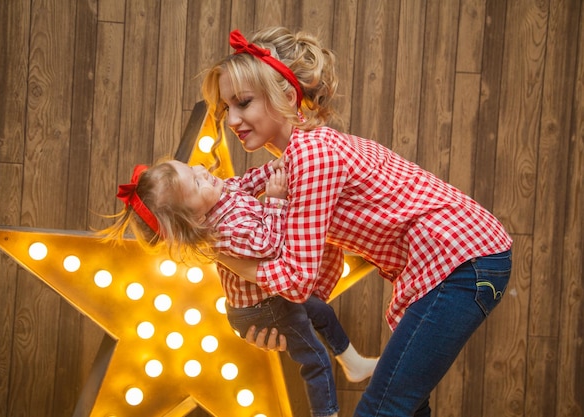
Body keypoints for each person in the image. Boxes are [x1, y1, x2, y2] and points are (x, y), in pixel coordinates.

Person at [200, 27, 513, 417]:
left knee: (383, 409)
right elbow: (240, 202)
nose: (231, 119)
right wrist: (278, 321)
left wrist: (226, 259)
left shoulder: (313, 157)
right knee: (408, 408)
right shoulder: (296, 159)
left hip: (462, 259)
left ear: (284, 94)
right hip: (458, 262)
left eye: (242, 103)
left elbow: (296, 280)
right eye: (225, 108)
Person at [102, 157, 378, 417]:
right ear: (194, 220)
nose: (203, 172)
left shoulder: (219, 194)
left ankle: (352, 362)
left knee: (322, 312)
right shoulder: (221, 232)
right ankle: (326, 412)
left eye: (192, 168)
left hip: (270, 296)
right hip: (260, 309)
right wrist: (275, 201)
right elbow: (268, 245)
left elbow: (248, 182)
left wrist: (277, 167)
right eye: (197, 184)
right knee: (314, 356)